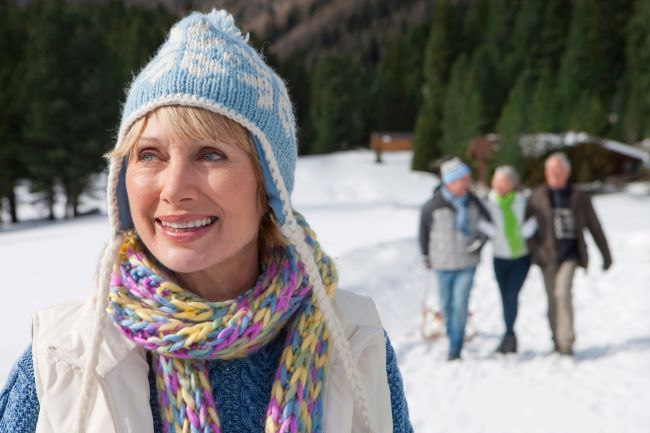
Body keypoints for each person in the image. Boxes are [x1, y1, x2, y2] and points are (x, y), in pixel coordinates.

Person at [0, 10, 413, 433]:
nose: (174, 188)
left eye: (210, 154)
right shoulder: (62, 363)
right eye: (149, 155)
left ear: (268, 186)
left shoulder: (355, 342)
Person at [526, 152, 612, 355]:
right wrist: (536, 253)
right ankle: (555, 339)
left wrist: (606, 255)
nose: (554, 175)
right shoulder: (537, 197)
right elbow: (526, 230)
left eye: (558, 171)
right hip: (547, 257)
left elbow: (595, 227)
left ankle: (566, 342)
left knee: (562, 293)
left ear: (567, 172)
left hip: (570, 255)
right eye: (550, 171)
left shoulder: (578, 197)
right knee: (551, 298)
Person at [419, 157, 490, 361]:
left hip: (467, 262)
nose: (467, 184)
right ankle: (452, 335)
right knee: (447, 304)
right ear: (450, 181)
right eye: (462, 180)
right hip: (442, 264)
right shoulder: (432, 206)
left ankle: (455, 346)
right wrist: (426, 255)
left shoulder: (474, 202)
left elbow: (489, 226)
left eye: (468, 179)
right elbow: (423, 232)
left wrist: (481, 241)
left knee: (460, 304)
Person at [479, 166, 537, 354]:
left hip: (521, 257)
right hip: (500, 258)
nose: (500, 185)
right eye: (496, 181)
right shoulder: (488, 202)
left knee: (511, 294)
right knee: (505, 297)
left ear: (513, 183)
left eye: (504, 181)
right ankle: (509, 336)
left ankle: (509, 335)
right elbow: (476, 218)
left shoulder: (523, 201)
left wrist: (531, 227)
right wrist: (486, 229)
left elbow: (538, 216)